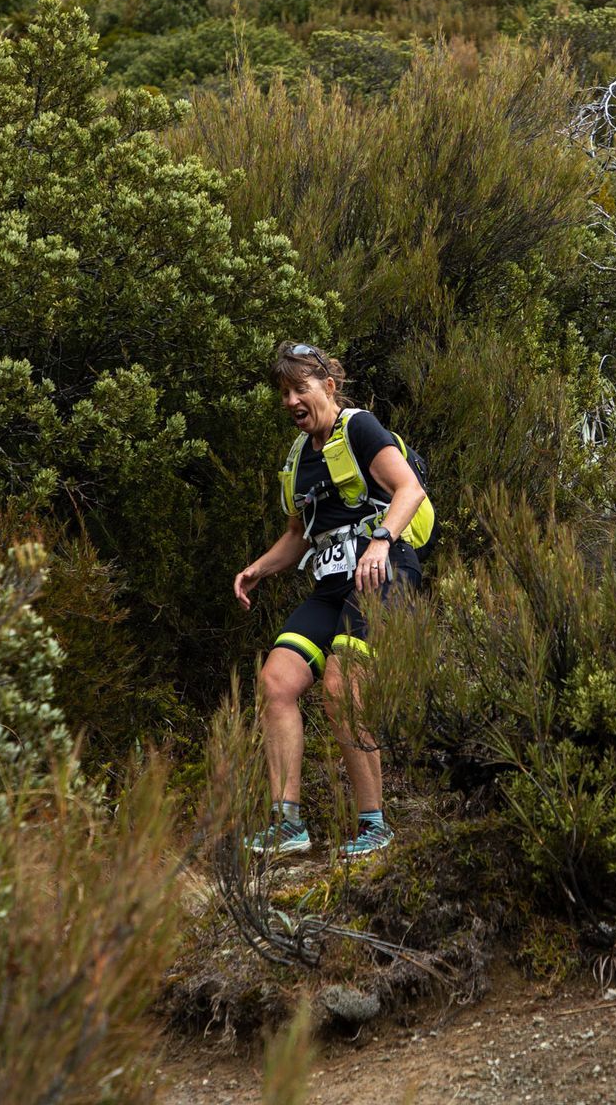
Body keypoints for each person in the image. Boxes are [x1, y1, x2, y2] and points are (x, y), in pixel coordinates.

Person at [232, 342, 434, 858]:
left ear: (328, 385)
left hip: (385, 574)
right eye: (284, 393)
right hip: (331, 586)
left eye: (300, 388)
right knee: (276, 681)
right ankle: (287, 824)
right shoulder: (299, 458)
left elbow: (408, 489)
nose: (291, 400)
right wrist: (259, 568)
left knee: (342, 687)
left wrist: (382, 540)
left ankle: (374, 825)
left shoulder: (360, 427)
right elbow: (299, 534)